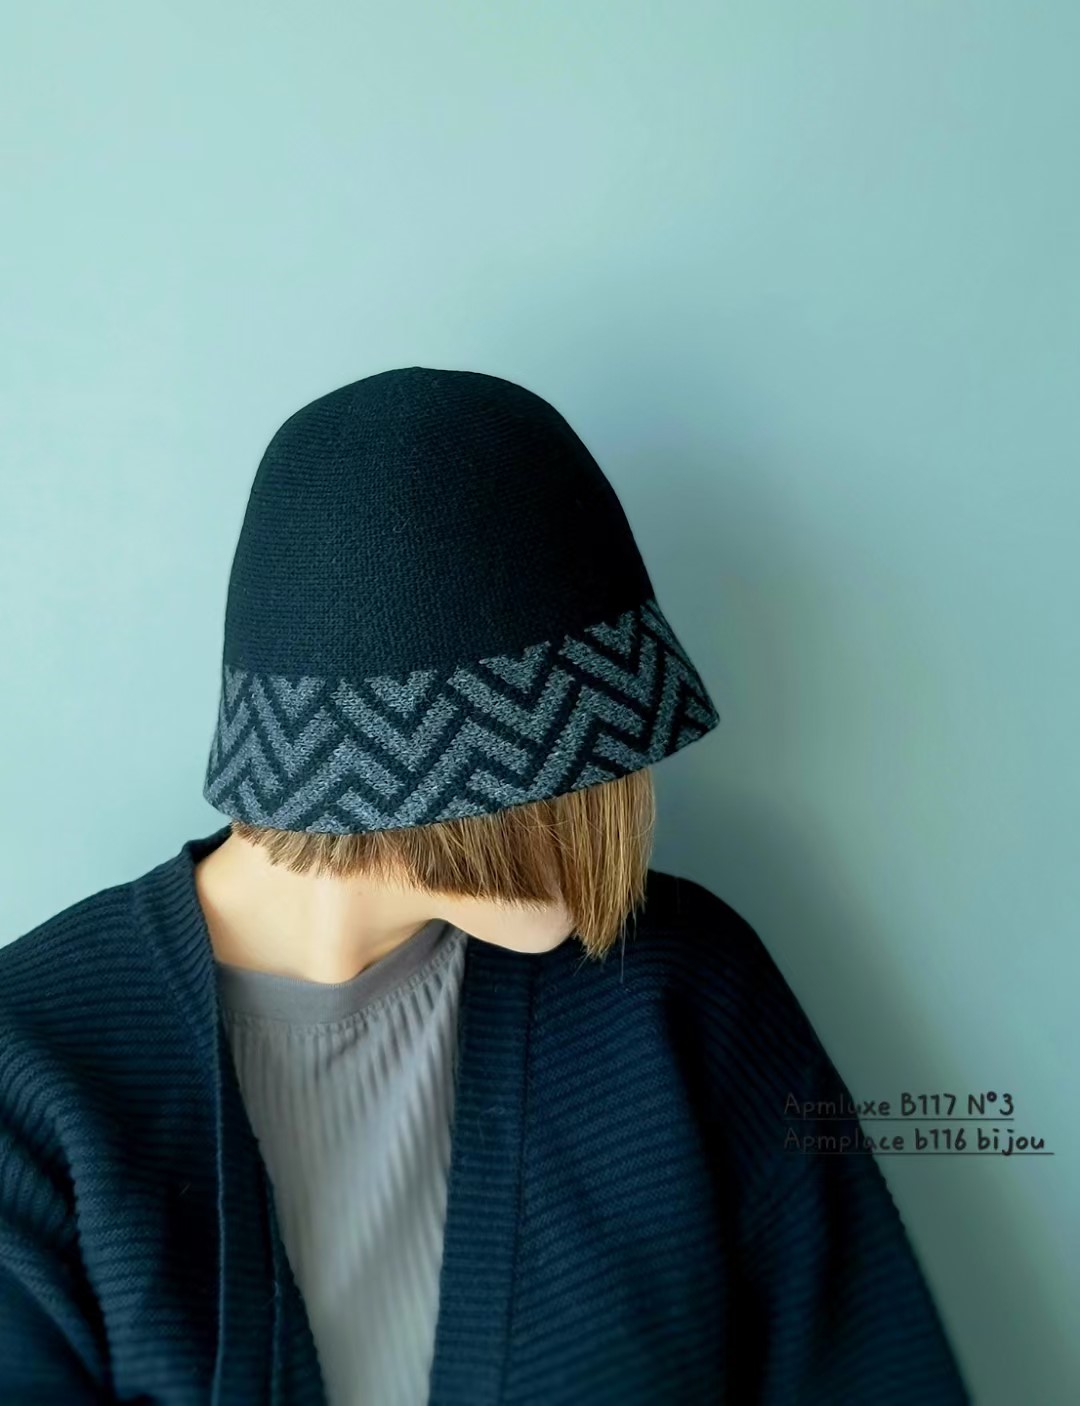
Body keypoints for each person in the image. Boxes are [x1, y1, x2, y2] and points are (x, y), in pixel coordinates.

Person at [0, 366, 972, 1404]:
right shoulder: (35, 1074)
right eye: (577, 760)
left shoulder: (682, 988)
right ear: (416, 773)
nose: (623, 799)